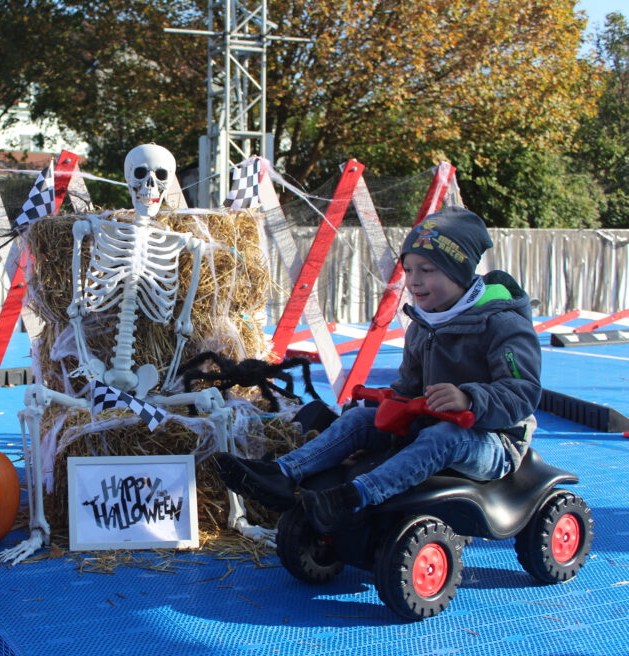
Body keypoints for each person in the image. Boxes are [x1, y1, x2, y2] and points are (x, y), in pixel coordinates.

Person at [216, 206, 541, 533]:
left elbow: (522, 393)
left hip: (491, 440)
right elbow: (407, 388)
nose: (414, 282)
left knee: (446, 436)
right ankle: (282, 474)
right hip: (429, 423)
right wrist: (384, 407)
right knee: (360, 419)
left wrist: (469, 399)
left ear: (459, 271)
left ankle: (352, 498)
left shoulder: (502, 324)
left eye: (427, 270)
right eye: (409, 270)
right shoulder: (423, 323)